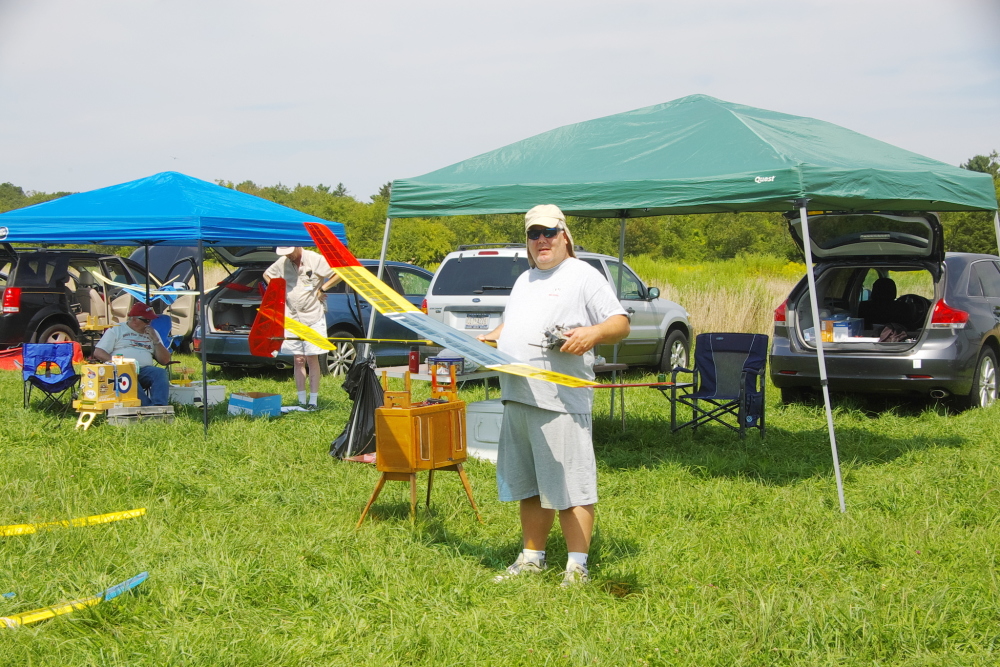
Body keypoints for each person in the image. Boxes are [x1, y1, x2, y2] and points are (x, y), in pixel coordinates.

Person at [478, 204, 630, 586]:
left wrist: (592, 334)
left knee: (570, 484)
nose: (541, 240)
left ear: (565, 236)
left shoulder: (583, 275)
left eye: (548, 232)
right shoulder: (524, 281)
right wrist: (492, 336)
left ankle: (577, 566)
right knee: (528, 483)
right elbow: (513, 324)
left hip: (560, 400)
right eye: (533, 234)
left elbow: (620, 322)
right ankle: (532, 557)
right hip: (518, 395)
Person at [263, 246, 339, 409]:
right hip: (292, 317)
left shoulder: (314, 259)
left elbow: (339, 273)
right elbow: (267, 274)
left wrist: (323, 289)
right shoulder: (283, 262)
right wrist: (277, 290)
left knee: (312, 358)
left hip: (313, 317)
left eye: (290, 252)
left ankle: (313, 401)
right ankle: (301, 400)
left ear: (297, 247)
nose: (288, 255)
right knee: (298, 359)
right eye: (285, 253)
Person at [93, 302, 171, 406]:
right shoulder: (117, 329)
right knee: (128, 373)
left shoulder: (152, 333)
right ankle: (146, 408)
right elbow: (98, 352)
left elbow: (165, 360)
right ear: (134, 320)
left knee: (160, 373)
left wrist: (156, 340)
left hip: (144, 370)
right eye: (146, 320)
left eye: (151, 320)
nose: (149, 323)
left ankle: (159, 406)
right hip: (121, 369)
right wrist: (118, 363)